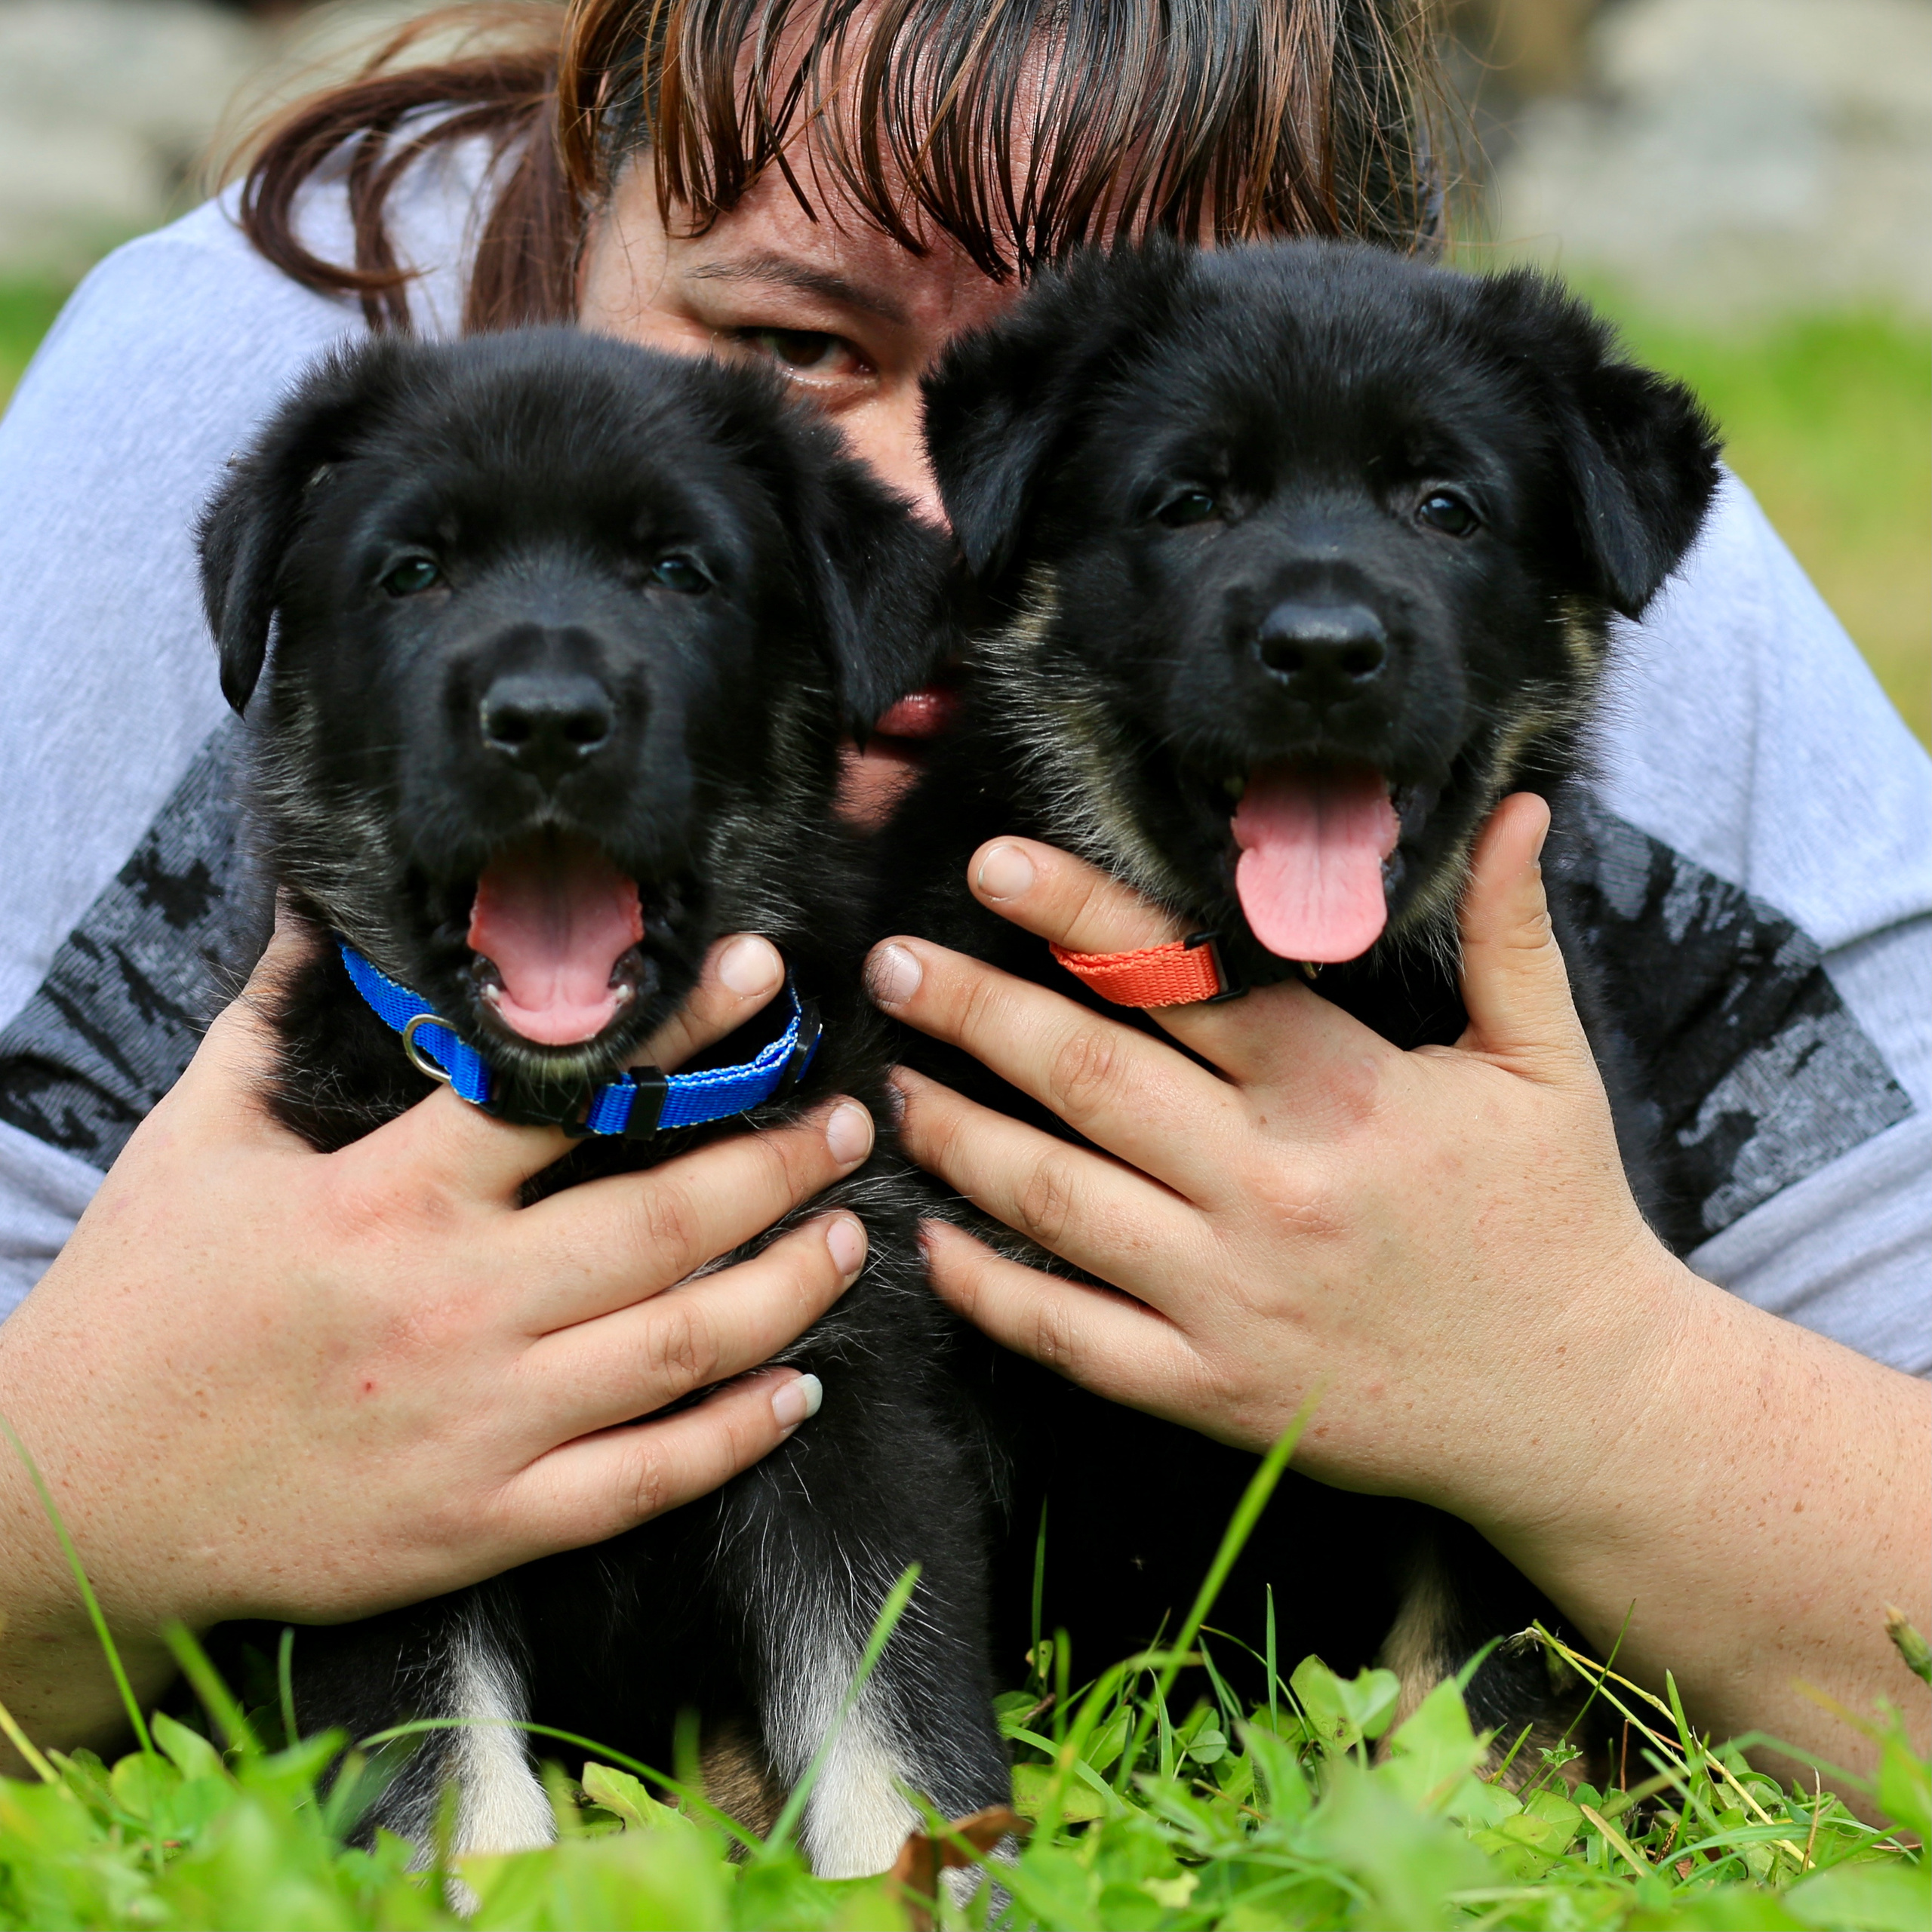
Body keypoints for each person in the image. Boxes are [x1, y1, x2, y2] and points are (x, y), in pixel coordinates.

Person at [0, 0, 1924, 1811]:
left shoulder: (1547, 543)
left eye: (1104, 399)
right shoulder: (234, 412)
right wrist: (92, 1482)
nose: (938, 523)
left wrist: (1606, 1389)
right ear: (581, 191)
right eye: (793, 345)